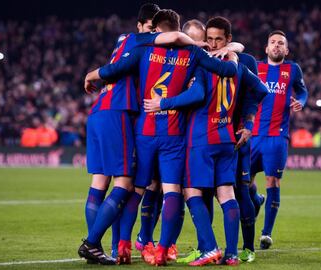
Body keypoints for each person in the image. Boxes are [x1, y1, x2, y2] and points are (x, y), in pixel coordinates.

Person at [82, 9, 239, 266]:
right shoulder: (194, 53)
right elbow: (225, 71)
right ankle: (164, 249)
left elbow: (116, 69)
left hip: (144, 129)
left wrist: (92, 74)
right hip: (174, 133)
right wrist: (232, 56)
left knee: (136, 188)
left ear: (156, 30)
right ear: (179, 29)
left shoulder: (143, 48)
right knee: (171, 192)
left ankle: (122, 245)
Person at [144, 16, 268, 266]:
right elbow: (262, 90)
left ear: (227, 39)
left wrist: (162, 103)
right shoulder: (239, 65)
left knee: (190, 191)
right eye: (208, 39)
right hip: (226, 139)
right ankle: (232, 254)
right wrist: (246, 121)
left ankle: (210, 247)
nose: (211, 44)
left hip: (202, 139)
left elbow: (197, 94)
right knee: (226, 194)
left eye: (217, 39)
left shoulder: (203, 64)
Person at [250, 30, 308, 249]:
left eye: (280, 43)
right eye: (272, 42)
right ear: (266, 48)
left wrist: (301, 101)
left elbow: (302, 92)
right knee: (243, 183)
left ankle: (266, 233)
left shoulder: (293, 69)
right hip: (253, 135)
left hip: (277, 137)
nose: (276, 46)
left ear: (286, 50)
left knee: (273, 181)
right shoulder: (254, 67)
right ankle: (256, 200)